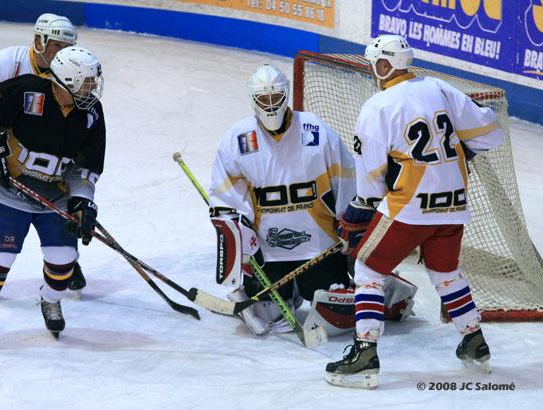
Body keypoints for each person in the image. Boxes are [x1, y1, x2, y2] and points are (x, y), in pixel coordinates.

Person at [325, 35, 504, 388]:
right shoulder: (439, 87)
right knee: (445, 272)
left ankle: (364, 353)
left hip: (410, 208)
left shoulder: (378, 106)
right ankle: (474, 341)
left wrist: (361, 208)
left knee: (368, 267)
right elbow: (489, 133)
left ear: (382, 65)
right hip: (453, 204)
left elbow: (371, 182)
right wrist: (459, 154)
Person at [208, 64, 416, 338]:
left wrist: (350, 228)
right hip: (268, 250)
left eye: (276, 98)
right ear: (253, 100)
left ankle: (385, 287)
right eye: (263, 99)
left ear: (286, 95)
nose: (270, 106)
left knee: (335, 306)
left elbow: (347, 179)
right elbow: (225, 198)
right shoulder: (238, 139)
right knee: (269, 314)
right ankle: (286, 290)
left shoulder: (315, 131)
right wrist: (242, 240)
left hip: (319, 248)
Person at [0, 46, 106, 348]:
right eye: (87, 81)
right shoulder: (26, 91)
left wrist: (82, 201)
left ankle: (50, 300)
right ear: (68, 80)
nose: (93, 87)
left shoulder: (91, 114)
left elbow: (85, 167)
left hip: (53, 196)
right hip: (7, 190)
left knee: (64, 261)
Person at [0, 13, 87, 293]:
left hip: (48, 157)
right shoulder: (5, 63)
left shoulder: (72, 71)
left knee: (64, 210)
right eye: (57, 46)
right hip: (2, 150)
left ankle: (68, 263)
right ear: (38, 41)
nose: (64, 54)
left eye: (68, 47)